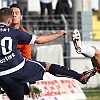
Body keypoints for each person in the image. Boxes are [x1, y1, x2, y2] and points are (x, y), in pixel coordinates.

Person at [0, 7, 97, 100]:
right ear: (9, 21)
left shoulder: (19, 32)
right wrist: (56, 35)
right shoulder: (16, 32)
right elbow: (39, 40)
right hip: (19, 68)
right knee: (47, 66)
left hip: (2, 75)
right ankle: (80, 77)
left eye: (17, 13)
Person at [10, 4, 42, 98]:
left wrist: (32, 81)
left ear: (21, 17)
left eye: (17, 13)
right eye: (11, 13)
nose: (14, 15)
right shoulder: (2, 32)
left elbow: (27, 58)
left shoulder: (25, 36)